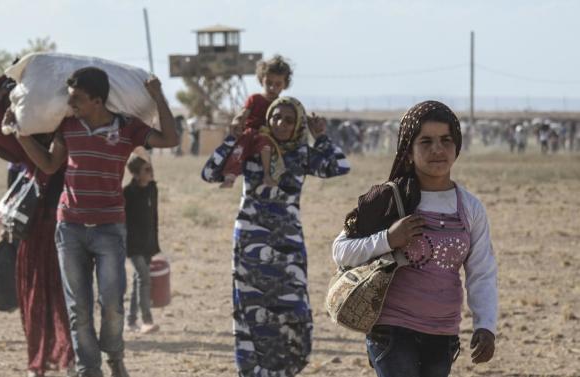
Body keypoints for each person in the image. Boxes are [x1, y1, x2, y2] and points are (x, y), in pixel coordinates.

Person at [15, 67, 178, 377]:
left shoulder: (128, 128)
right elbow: (50, 164)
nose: (70, 103)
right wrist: (22, 137)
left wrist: (158, 97)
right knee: (79, 310)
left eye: (77, 98)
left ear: (98, 100)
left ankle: (114, 356)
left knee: (113, 305)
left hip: (109, 230)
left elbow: (170, 138)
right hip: (70, 228)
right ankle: (89, 369)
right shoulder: (69, 126)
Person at [332, 100, 498, 377]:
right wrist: (388, 238)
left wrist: (486, 325)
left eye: (446, 140)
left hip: (443, 334)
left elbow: (482, 272)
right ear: (408, 151)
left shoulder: (470, 208)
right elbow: (341, 251)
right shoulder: (387, 199)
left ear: (457, 147)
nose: (437, 149)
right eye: (426, 141)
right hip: (391, 330)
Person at [201, 97, 350, 376]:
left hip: (288, 242)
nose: (281, 124)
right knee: (252, 307)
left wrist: (321, 137)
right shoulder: (251, 147)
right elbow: (210, 172)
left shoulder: (303, 154)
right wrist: (232, 138)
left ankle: (287, 368)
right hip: (249, 241)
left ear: (299, 125)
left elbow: (340, 166)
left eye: (289, 119)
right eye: (276, 117)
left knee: (292, 307)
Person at [0, 75, 75, 377]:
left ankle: (61, 358)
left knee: (58, 293)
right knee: (41, 293)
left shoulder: (55, 134)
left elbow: (51, 165)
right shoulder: (22, 146)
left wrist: (19, 131)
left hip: (59, 224)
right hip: (37, 226)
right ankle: (47, 360)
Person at [220, 55, 293, 188]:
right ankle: (230, 176)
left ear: (285, 85)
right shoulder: (255, 99)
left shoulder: (282, 105)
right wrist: (237, 120)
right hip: (249, 134)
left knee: (266, 144)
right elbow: (244, 113)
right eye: (269, 83)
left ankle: (267, 176)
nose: (272, 88)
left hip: (267, 138)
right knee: (239, 148)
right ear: (261, 80)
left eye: (278, 84)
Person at [123, 156, 160, 334]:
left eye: (150, 168)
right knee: (144, 279)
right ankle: (147, 320)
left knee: (139, 281)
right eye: (146, 170)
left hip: (148, 243)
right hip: (133, 245)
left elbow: (154, 217)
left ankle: (130, 321)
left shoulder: (153, 189)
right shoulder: (127, 193)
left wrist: (154, 242)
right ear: (136, 174)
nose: (150, 172)